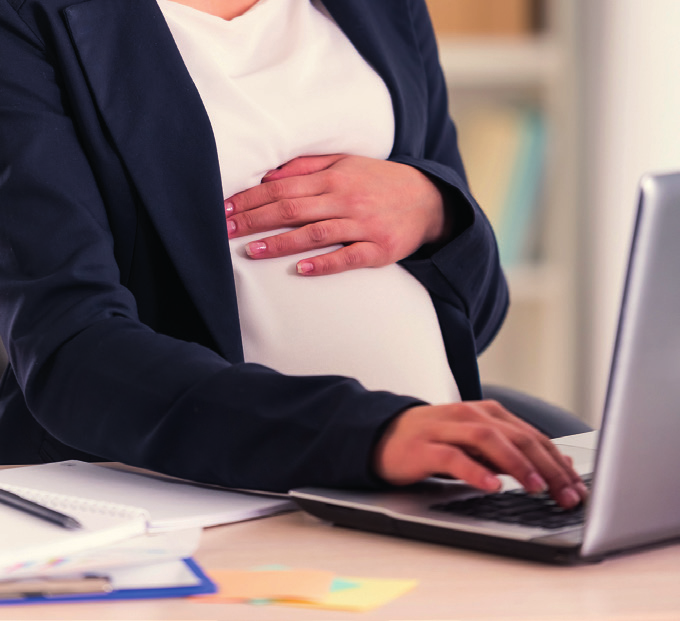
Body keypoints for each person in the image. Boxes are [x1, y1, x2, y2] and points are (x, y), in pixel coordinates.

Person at [0, 0, 587, 509]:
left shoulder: (382, 9)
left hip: (438, 487)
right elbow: (71, 354)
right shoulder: (25, 20)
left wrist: (436, 209)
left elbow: (477, 320)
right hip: (211, 497)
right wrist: (371, 435)